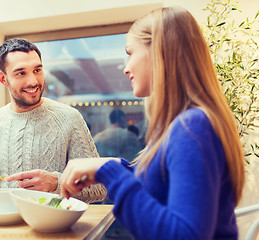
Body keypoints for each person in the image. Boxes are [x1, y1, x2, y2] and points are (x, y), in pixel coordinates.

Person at [60, 6, 245, 240]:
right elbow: (163, 185)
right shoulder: (187, 124)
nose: (126, 68)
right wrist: (115, 165)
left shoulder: (192, 127)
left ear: (160, 51)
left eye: (130, 52)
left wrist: (112, 172)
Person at [0, 38, 106, 203]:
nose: (33, 81)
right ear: (3, 79)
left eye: (37, 70)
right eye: (21, 73)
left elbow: (99, 189)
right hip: (0, 228)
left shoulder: (70, 118)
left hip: (52, 228)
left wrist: (57, 183)